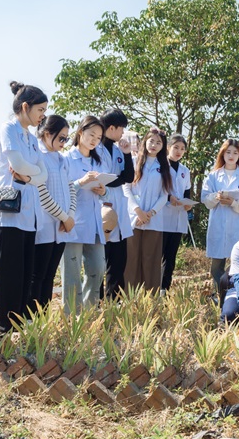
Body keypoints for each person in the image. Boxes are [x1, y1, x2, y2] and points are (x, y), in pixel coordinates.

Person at [0, 82, 48, 332]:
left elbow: (44, 175)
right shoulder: (8, 128)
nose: (42, 115)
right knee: (8, 271)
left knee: (24, 270)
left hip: (27, 212)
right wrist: (33, 173)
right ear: (25, 107)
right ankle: (4, 324)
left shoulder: (31, 138)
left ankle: (19, 322)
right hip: (7, 211)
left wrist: (30, 177)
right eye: (40, 109)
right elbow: (17, 164)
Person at [28, 115, 76, 313]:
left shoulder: (62, 159)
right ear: (47, 134)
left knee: (49, 275)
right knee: (37, 276)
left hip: (63, 226)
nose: (64, 143)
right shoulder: (37, 156)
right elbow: (42, 193)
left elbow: (71, 187)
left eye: (66, 138)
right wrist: (64, 217)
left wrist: (70, 215)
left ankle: (44, 318)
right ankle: (30, 318)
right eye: (61, 138)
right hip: (45, 225)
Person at [61, 116, 108, 313]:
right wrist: (80, 182)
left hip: (95, 222)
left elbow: (106, 188)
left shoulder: (98, 161)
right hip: (74, 222)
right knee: (72, 273)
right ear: (80, 133)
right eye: (91, 135)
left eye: (98, 137)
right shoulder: (67, 159)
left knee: (97, 269)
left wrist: (102, 190)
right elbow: (61, 189)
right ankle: (72, 315)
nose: (94, 140)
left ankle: (89, 312)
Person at [202, 139, 239, 293]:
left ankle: (235, 294)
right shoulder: (214, 176)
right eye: (228, 152)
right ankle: (221, 294)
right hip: (218, 224)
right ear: (222, 154)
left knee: (237, 264)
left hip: (238, 225)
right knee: (216, 268)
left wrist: (233, 202)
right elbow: (205, 199)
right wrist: (216, 197)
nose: (231, 155)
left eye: (235, 152)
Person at [123, 128, 172, 293]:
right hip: (134, 218)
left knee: (151, 259)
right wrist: (138, 211)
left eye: (159, 142)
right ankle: (130, 297)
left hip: (154, 220)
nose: (154, 145)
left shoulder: (165, 167)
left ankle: (150, 299)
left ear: (163, 146)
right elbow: (126, 189)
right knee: (131, 259)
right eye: (151, 141)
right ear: (145, 142)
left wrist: (150, 213)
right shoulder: (133, 161)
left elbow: (164, 195)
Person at [96, 108, 134, 299]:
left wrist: (127, 154)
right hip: (101, 206)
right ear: (112, 128)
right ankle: (98, 301)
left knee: (118, 259)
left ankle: (115, 300)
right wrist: (115, 178)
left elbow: (128, 177)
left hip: (118, 206)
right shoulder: (96, 149)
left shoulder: (119, 150)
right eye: (121, 129)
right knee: (100, 259)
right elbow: (104, 179)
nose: (122, 133)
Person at [158, 134, 193, 293]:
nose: (179, 151)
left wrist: (188, 205)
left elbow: (187, 194)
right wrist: (168, 198)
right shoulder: (159, 165)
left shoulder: (185, 170)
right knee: (158, 255)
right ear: (168, 148)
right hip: (162, 216)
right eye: (176, 147)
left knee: (170, 258)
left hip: (179, 218)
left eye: (182, 148)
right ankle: (153, 288)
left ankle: (165, 288)